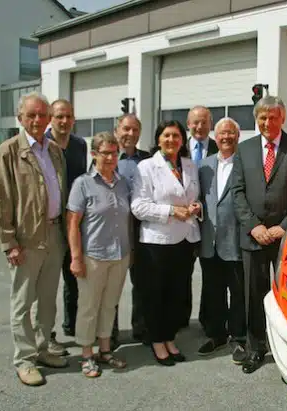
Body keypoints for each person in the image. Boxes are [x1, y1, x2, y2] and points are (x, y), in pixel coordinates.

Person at [0, 91, 69, 386]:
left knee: (47, 300)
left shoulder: (55, 151)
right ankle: (24, 359)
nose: (37, 120)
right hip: (25, 238)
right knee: (22, 301)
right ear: (20, 118)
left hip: (53, 233)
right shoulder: (9, 152)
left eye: (42, 115)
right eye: (31, 115)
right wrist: (9, 242)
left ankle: (42, 348)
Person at [231, 95, 287, 374]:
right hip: (252, 236)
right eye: (263, 118)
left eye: (273, 117)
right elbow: (238, 192)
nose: (268, 122)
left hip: (284, 237)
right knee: (253, 296)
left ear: (283, 118)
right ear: (257, 119)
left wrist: (284, 226)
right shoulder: (244, 150)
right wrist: (253, 226)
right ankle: (256, 348)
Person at [131, 120, 202, 366]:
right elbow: (138, 207)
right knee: (155, 294)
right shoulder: (146, 167)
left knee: (176, 294)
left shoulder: (190, 166)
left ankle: (170, 338)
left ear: (183, 140)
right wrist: (172, 211)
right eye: (166, 135)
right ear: (158, 139)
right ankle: (157, 341)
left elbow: (196, 196)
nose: (171, 140)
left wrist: (196, 207)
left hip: (184, 240)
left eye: (176, 136)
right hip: (157, 242)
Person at [66, 131, 132, 378]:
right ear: (94, 154)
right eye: (105, 153)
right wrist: (76, 257)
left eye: (115, 153)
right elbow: (72, 223)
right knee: (88, 307)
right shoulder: (83, 184)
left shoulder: (123, 182)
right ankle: (86, 354)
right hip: (93, 256)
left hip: (119, 255)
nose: (111, 158)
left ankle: (105, 351)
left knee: (109, 305)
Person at [196, 117, 246, 363]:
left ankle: (238, 338)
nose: (226, 137)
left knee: (237, 292)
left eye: (231, 133)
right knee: (213, 291)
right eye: (222, 134)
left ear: (238, 136)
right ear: (215, 137)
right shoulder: (204, 165)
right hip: (210, 241)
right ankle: (216, 334)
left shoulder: (246, 163)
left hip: (235, 240)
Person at [44, 99, 87, 356]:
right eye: (59, 116)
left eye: (68, 116)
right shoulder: (42, 145)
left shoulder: (80, 145)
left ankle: (72, 327)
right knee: (47, 284)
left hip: (74, 222)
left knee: (74, 278)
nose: (64, 121)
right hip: (48, 223)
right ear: (51, 118)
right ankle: (46, 335)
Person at [114, 113, 151, 343]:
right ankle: (110, 332)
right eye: (126, 129)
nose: (130, 134)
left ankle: (142, 327)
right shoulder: (106, 156)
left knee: (142, 282)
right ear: (117, 130)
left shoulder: (148, 159)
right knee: (113, 283)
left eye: (135, 130)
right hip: (114, 229)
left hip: (141, 229)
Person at [186, 105, 218, 329]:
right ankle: (179, 319)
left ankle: (209, 320)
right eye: (195, 122)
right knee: (181, 274)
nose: (199, 126)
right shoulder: (178, 148)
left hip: (210, 223)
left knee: (210, 276)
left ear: (210, 124)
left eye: (204, 122)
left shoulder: (220, 148)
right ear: (188, 124)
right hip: (183, 221)